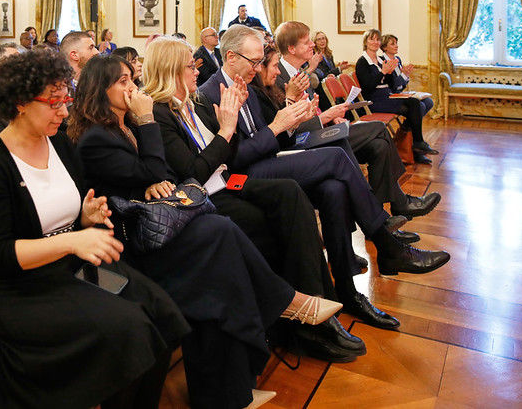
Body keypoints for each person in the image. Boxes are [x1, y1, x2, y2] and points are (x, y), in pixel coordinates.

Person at [70, 55, 344, 409]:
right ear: (99, 90)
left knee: (220, 258)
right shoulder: (101, 136)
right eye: (122, 82)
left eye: (130, 79)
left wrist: (155, 175)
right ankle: (285, 304)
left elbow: (161, 172)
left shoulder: (129, 124)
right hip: (126, 241)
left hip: (158, 219)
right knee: (220, 234)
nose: (132, 87)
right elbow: (157, 168)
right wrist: (149, 124)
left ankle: (231, 392)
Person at [0, 51, 190, 409]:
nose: (65, 112)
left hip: (70, 269)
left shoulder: (60, 144)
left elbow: (70, 216)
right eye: (53, 103)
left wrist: (85, 217)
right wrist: (73, 239)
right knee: (128, 329)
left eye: (65, 100)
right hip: (24, 286)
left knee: (161, 313)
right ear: (20, 103)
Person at [199, 25, 451, 328]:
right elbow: (232, 159)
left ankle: (347, 289)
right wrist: (278, 127)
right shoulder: (209, 93)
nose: (257, 67)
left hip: (265, 160)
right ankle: (387, 243)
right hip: (243, 177)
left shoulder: (245, 83)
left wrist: (289, 122)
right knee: (335, 156)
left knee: (333, 189)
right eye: (253, 61)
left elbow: (272, 137)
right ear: (230, 56)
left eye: (258, 61)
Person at [144, 36, 368, 362]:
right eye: (190, 66)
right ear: (170, 71)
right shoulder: (161, 112)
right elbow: (194, 170)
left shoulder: (197, 102)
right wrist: (227, 129)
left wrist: (230, 128)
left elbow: (228, 155)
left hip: (226, 181)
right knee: (272, 220)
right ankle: (305, 320)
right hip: (205, 195)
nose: (197, 70)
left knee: (291, 193)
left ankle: (318, 307)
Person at [269, 21, 441, 220]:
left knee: (379, 146)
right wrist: (325, 117)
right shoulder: (278, 76)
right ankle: (396, 205)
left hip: (318, 129)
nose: (313, 45)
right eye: (307, 42)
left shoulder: (299, 72)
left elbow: (310, 109)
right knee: (378, 128)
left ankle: (382, 214)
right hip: (305, 141)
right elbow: (288, 124)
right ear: (291, 48)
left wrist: (330, 118)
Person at [355, 29, 438, 165]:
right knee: (415, 105)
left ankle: (414, 147)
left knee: (416, 105)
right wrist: (383, 72)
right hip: (374, 100)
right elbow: (368, 87)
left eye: (377, 39)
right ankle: (417, 143)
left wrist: (394, 73)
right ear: (365, 42)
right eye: (372, 39)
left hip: (387, 95)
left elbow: (392, 85)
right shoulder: (362, 62)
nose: (375, 42)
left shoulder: (381, 59)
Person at [380, 33, 434, 117]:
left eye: (396, 43)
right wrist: (404, 75)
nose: (396, 46)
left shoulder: (397, 59)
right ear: (384, 47)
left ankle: (407, 127)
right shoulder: (382, 62)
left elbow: (402, 85)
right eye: (392, 44)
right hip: (390, 96)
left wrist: (406, 75)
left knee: (429, 102)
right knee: (420, 106)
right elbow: (392, 85)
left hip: (400, 93)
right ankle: (408, 127)